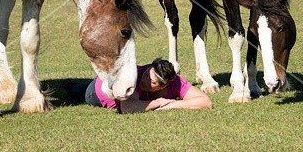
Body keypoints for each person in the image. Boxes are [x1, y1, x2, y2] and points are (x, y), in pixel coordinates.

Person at [63, 58, 212, 113]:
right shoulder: (136, 78)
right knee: (76, 92)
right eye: (147, 74)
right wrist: (158, 102)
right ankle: (70, 85)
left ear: (163, 86)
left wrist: (172, 105)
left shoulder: (175, 81)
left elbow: (205, 101)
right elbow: (127, 108)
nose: (145, 81)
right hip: (98, 91)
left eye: (152, 82)